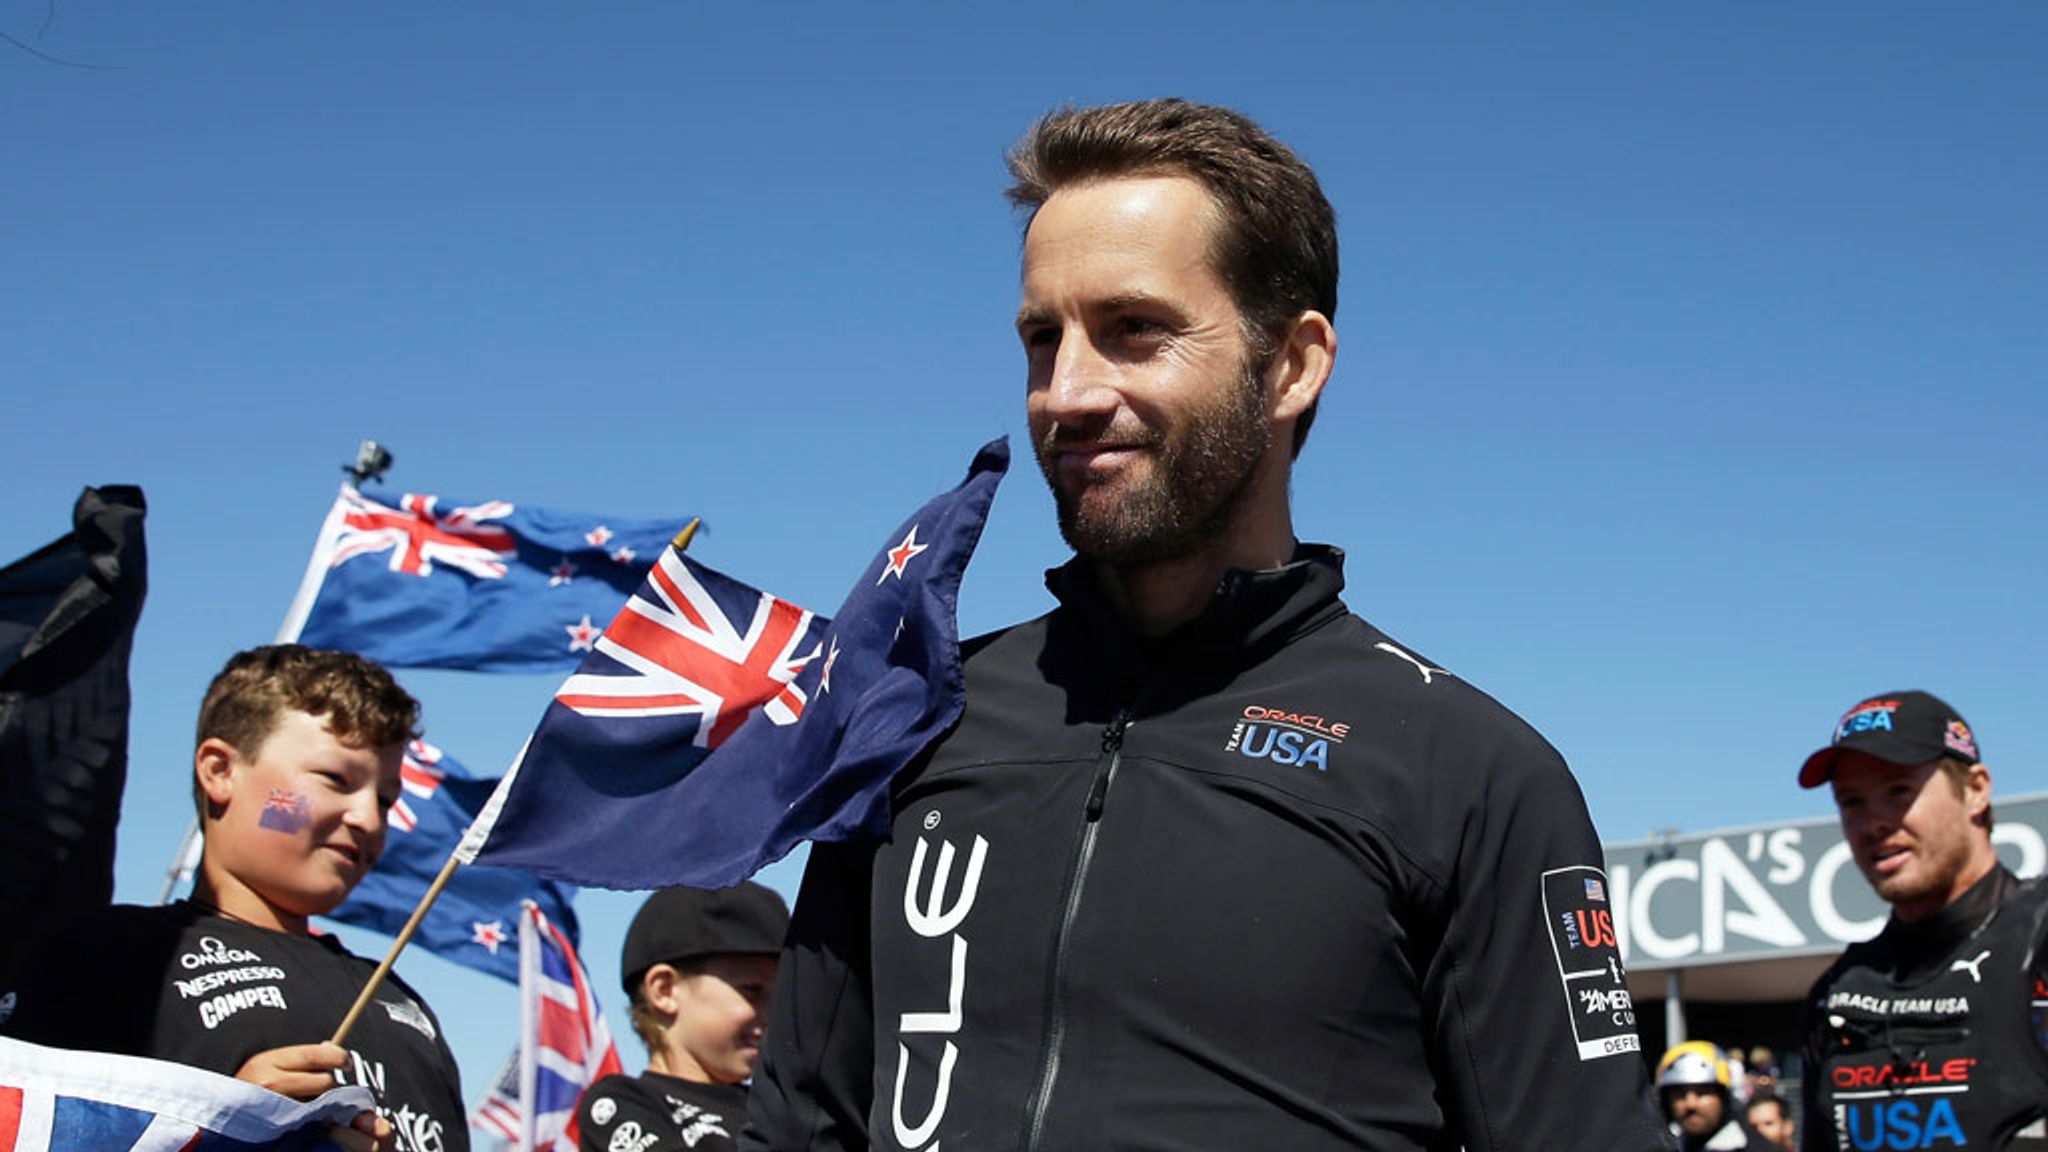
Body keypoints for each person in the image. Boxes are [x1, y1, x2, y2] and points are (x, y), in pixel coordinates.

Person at [742, 98, 1671, 1151]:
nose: (1067, 393)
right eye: (1043, 338)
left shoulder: (1466, 771)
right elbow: (796, 1126)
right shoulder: (911, 719)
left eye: (1133, 329)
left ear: (1291, 364)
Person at [0, 645, 464, 1152]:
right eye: (336, 780)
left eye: (385, 800)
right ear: (220, 771)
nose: (369, 820)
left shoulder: (402, 1003)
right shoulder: (108, 955)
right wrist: (227, 1129)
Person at [1797, 690, 2048, 1150]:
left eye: (1898, 791)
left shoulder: (2039, 938)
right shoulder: (1838, 991)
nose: (1873, 822)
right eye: (1851, 801)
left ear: (1974, 790)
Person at [578, 882, 789, 1152]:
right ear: (664, 990)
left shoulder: (776, 1112)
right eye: (752, 990)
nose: (773, 1015)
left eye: (780, 998)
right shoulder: (619, 1105)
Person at [1657, 1042, 1777, 1152]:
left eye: (1702, 1092)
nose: (1691, 1103)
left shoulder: (1754, 1148)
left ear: (1723, 1096)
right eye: (1680, 1094)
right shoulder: (1660, 1145)